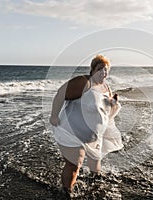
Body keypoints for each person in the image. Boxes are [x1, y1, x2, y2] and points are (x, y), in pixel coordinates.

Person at [49, 55, 123, 195]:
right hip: (72, 133)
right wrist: (54, 115)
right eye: (100, 69)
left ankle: (94, 189)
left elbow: (102, 107)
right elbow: (60, 94)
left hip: (95, 137)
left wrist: (112, 102)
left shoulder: (106, 87)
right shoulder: (84, 82)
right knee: (74, 164)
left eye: (106, 70)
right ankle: (66, 193)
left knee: (95, 169)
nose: (103, 72)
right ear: (92, 69)